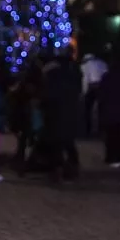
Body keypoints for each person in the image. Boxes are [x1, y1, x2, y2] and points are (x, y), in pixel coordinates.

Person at [43, 51, 82, 182]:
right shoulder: (73, 76)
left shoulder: (53, 76)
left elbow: (48, 96)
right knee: (68, 143)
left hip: (57, 115)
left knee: (57, 144)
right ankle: (71, 167)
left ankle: (57, 169)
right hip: (69, 115)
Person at [80, 50, 108, 137]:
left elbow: (85, 79)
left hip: (91, 87)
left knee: (87, 109)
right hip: (103, 87)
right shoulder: (102, 63)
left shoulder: (84, 66)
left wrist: (84, 93)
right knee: (101, 109)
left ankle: (88, 129)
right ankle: (101, 129)